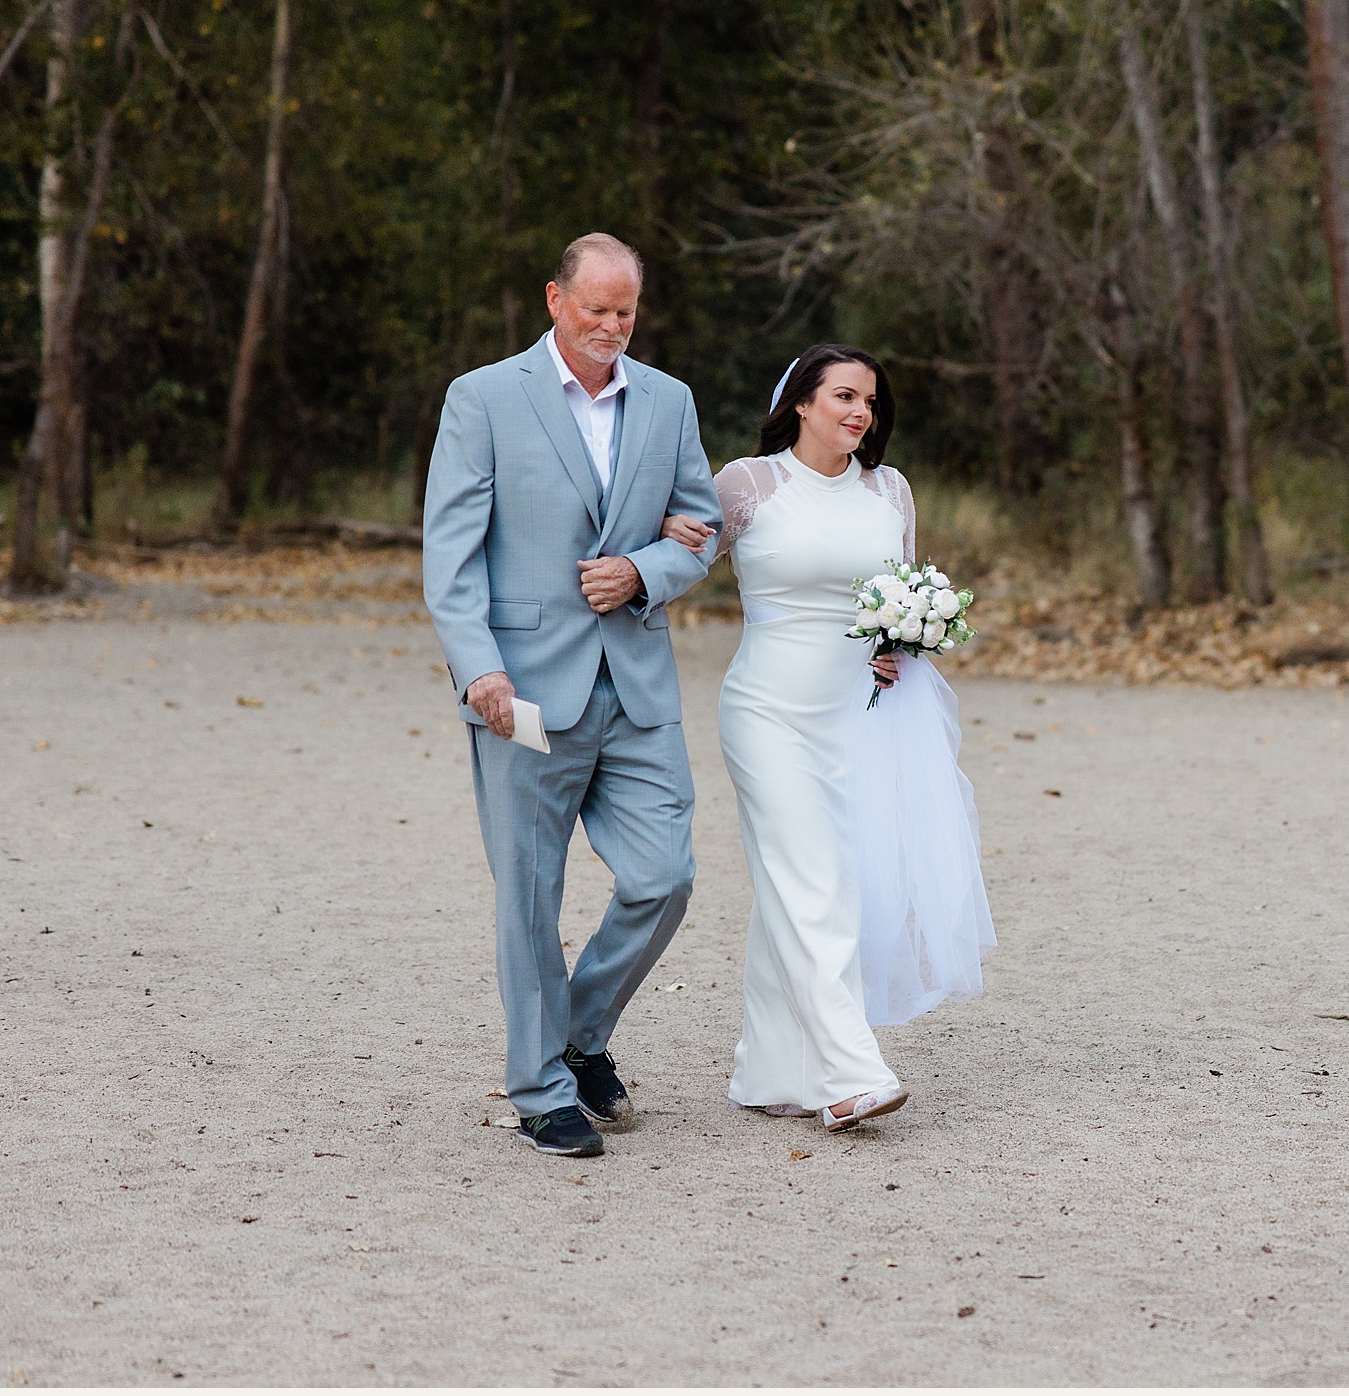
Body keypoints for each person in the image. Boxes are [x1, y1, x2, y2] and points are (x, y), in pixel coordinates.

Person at [421, 232, 722, 1160]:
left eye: (626, 311)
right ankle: (541, 1090)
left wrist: (644, 568)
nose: (612, 327)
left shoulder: (668, 400)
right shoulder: (484, 397)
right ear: (555, 299)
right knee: (529, 895)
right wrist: (479, 669)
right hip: (522, 692)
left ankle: (579, 1033)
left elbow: (702, 527)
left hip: (634, 688)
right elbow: (452, 549)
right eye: (596, 308)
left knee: (665, 876)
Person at [660, 345, 994, 1133]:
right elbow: (677, 566)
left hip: (860, 719)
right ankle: (850, 1073)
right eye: (844, 396)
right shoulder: (749, 483)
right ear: (801, 402)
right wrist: (659, 533)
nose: (860, 413)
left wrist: (902, 643)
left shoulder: (890, 490)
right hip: (769, 713)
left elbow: (901, 595)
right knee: (813, 880)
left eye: (870, 403)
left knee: (809, 879)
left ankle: (768, 1068)